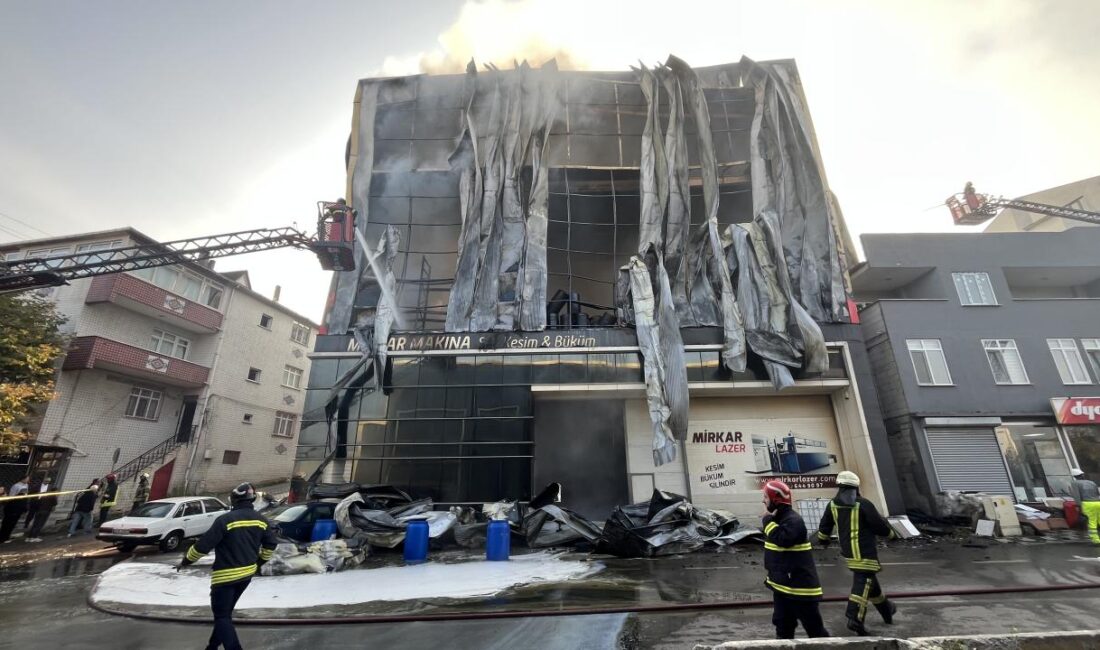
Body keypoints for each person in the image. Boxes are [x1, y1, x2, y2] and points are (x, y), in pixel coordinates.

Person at [179, 482, 278, 650]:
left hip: (224, 578)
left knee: (222, 616)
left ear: (234, 500)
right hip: (246, 576)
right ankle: (212, 646)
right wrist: (259, 563)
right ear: (252, 500)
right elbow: (271, 544)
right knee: (224, 615)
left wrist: (186, 561)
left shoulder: (225, 520)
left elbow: (202, 546)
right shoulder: (261, 520)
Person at [816, 470, 897, 636]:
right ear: (856, 487)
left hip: (849, 553)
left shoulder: (833, 504)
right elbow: (879, 526)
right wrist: (891, 535)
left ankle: (887, 609)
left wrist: (823, 541)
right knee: (863, 583)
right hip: (865, 553)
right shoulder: (863, 504)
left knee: (871, 585)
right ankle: (855, 618)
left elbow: (824, 526)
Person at [762, 479, 829, 639]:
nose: (763, 501)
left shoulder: (793, 520)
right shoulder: (778, 519)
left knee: (815, 631)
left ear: (775, 499)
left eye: (766, 497)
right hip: (782, 587)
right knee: (783, 627)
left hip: (800, 590)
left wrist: (767, 522)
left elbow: (783, 540)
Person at [1071, 469, 1100, 545]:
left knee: (1092, 522)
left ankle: (1096, 541)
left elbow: (1077, 496)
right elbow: (1097, 493)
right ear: (1082, 475)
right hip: (1098, 502)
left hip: (1087, 504)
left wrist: (1078, 506)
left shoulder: (1075, 483)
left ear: (1074, 476)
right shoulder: (1091, 482)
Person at [0, 476, 31, 543]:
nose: (28, 480)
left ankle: (7, 536)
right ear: (23, 479)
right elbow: (12, 496)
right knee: (7, 523)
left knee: (13, 523)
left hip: (19, 508)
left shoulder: (26, 485)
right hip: (13, 507)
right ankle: (2, 537)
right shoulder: (16, 486)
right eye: (27, 479)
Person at [26, 477, 58, 542]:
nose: (47, 482)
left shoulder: (43, 495)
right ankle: (34, 537)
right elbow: (55, 503)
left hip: (39, 508)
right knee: (40, 523)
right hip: (45, 510)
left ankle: (30, 537)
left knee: (35, 523)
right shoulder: (51, 495)